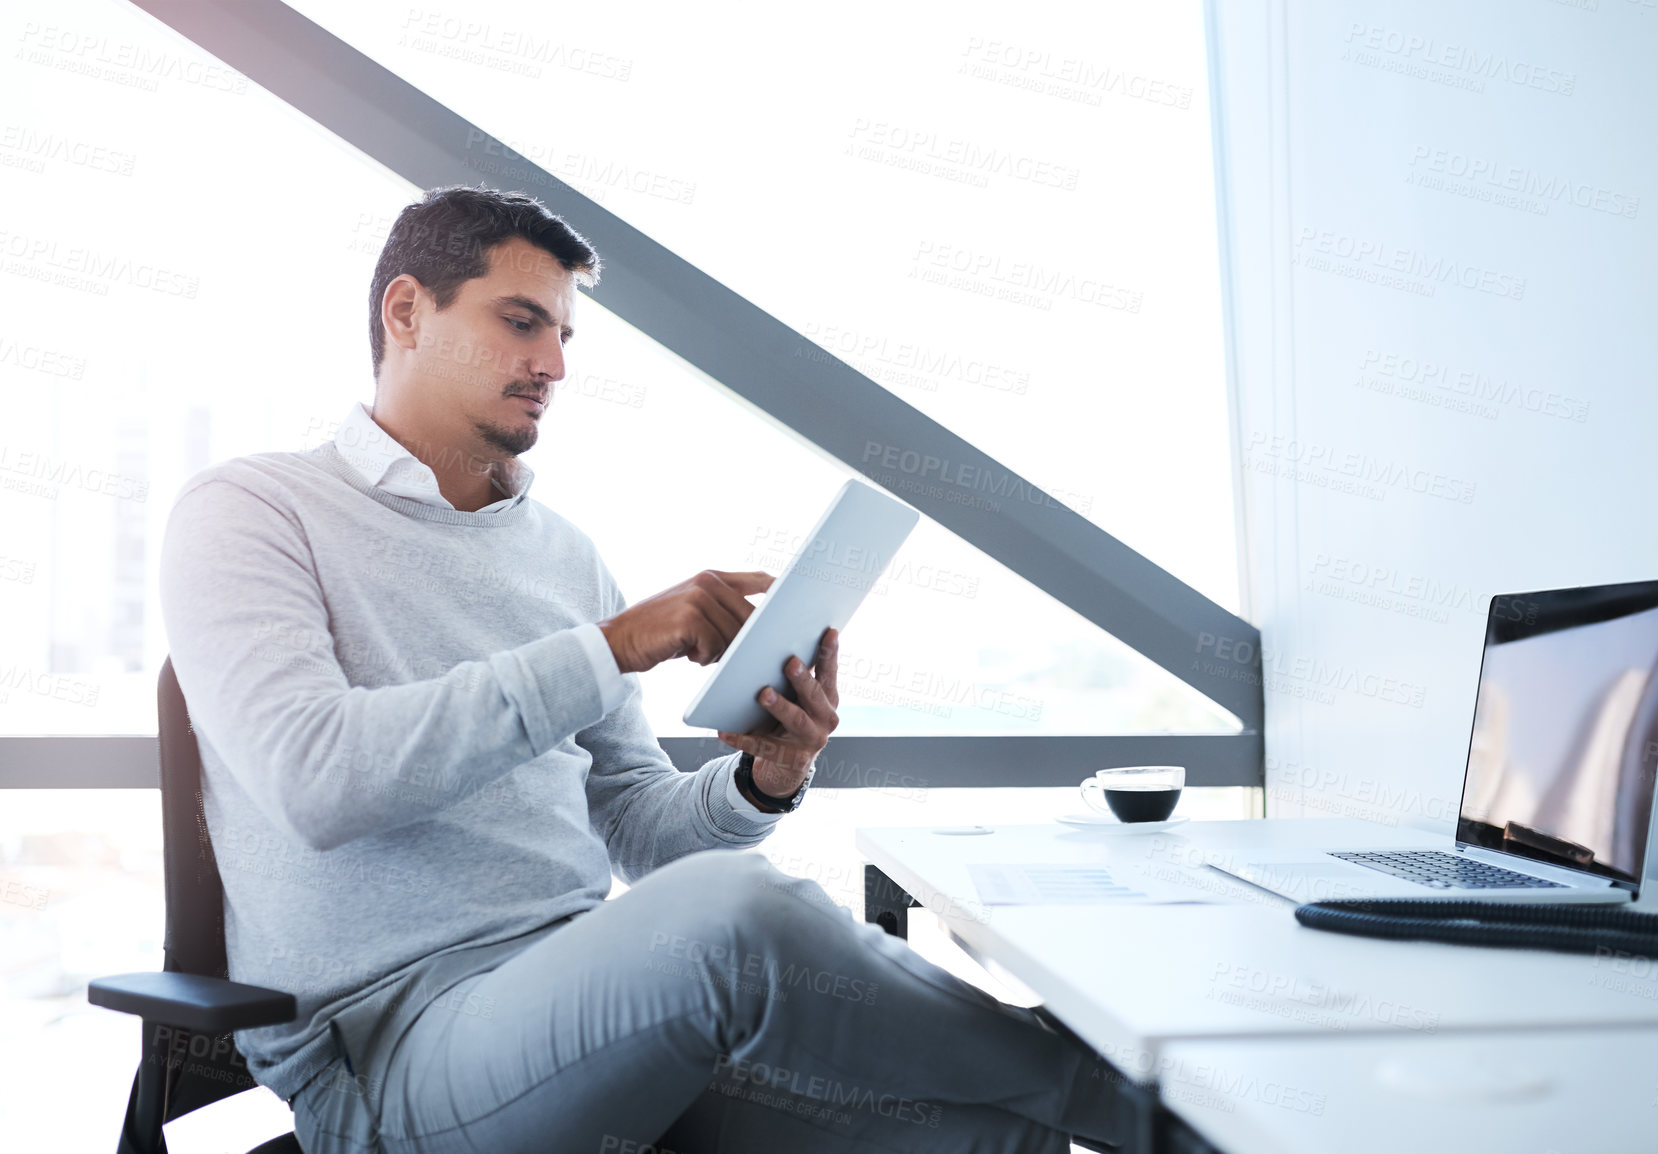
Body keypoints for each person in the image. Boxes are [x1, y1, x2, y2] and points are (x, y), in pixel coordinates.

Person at [160, 185, 1128, 1153]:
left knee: (978, 1136)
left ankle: (1132, 1104)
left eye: (564, 336)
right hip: (387, 1048)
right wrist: (612, 646)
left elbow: (637, 824)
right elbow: (317, 782)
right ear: (406, 310)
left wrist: (762, 778)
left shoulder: (560, 554)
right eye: (520, 321)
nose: (551, 363)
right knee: (740, 915)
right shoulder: (249, 510)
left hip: (584, 1005)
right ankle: (1152, 1101)